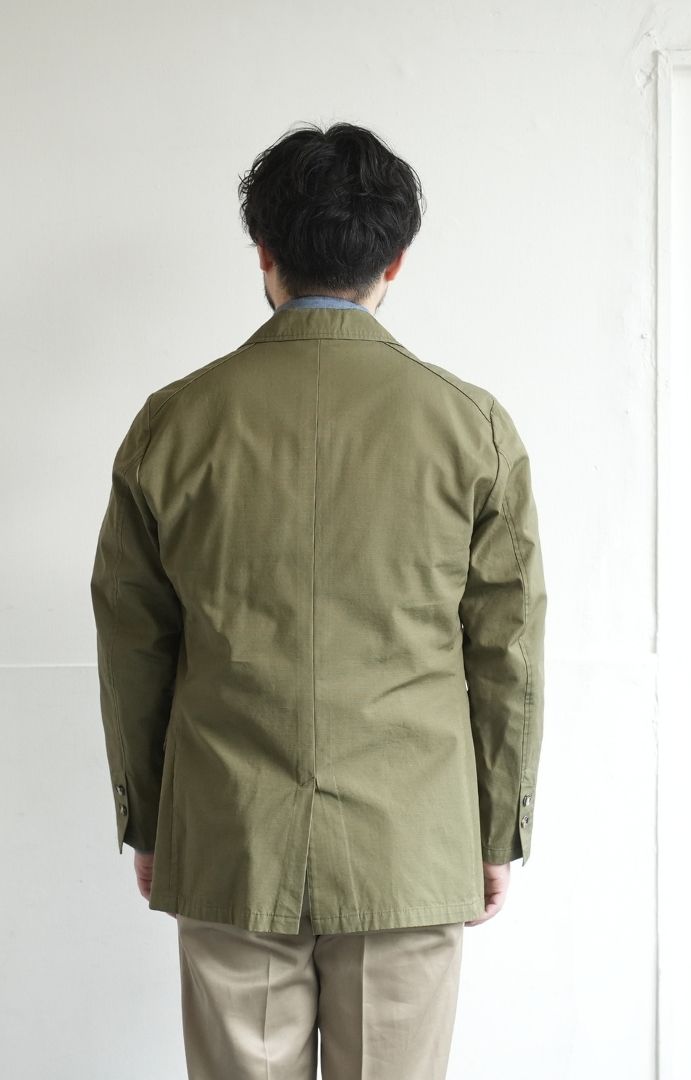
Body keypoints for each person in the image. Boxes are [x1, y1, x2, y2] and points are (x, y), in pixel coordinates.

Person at [90, 120, 547, 1080]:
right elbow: (505, 647)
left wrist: (153, 818)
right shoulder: (471, 427)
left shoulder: (174, 423)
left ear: (264, 251)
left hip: (229, 831)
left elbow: (134, 636)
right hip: (409, 840)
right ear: (395, 260)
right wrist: (496, 826)